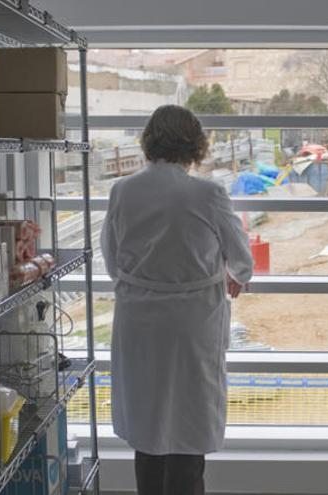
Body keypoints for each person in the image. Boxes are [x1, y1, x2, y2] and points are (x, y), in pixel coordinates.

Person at [101, 105, 254, 495]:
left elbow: (112, 258)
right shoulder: (207, 193)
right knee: (188, 424)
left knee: (147, 422)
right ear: (195, 144)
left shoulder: (123, 191)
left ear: (149, 140)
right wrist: (233, 273)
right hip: (192, 322)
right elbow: (242, 259)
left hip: (139, 320)